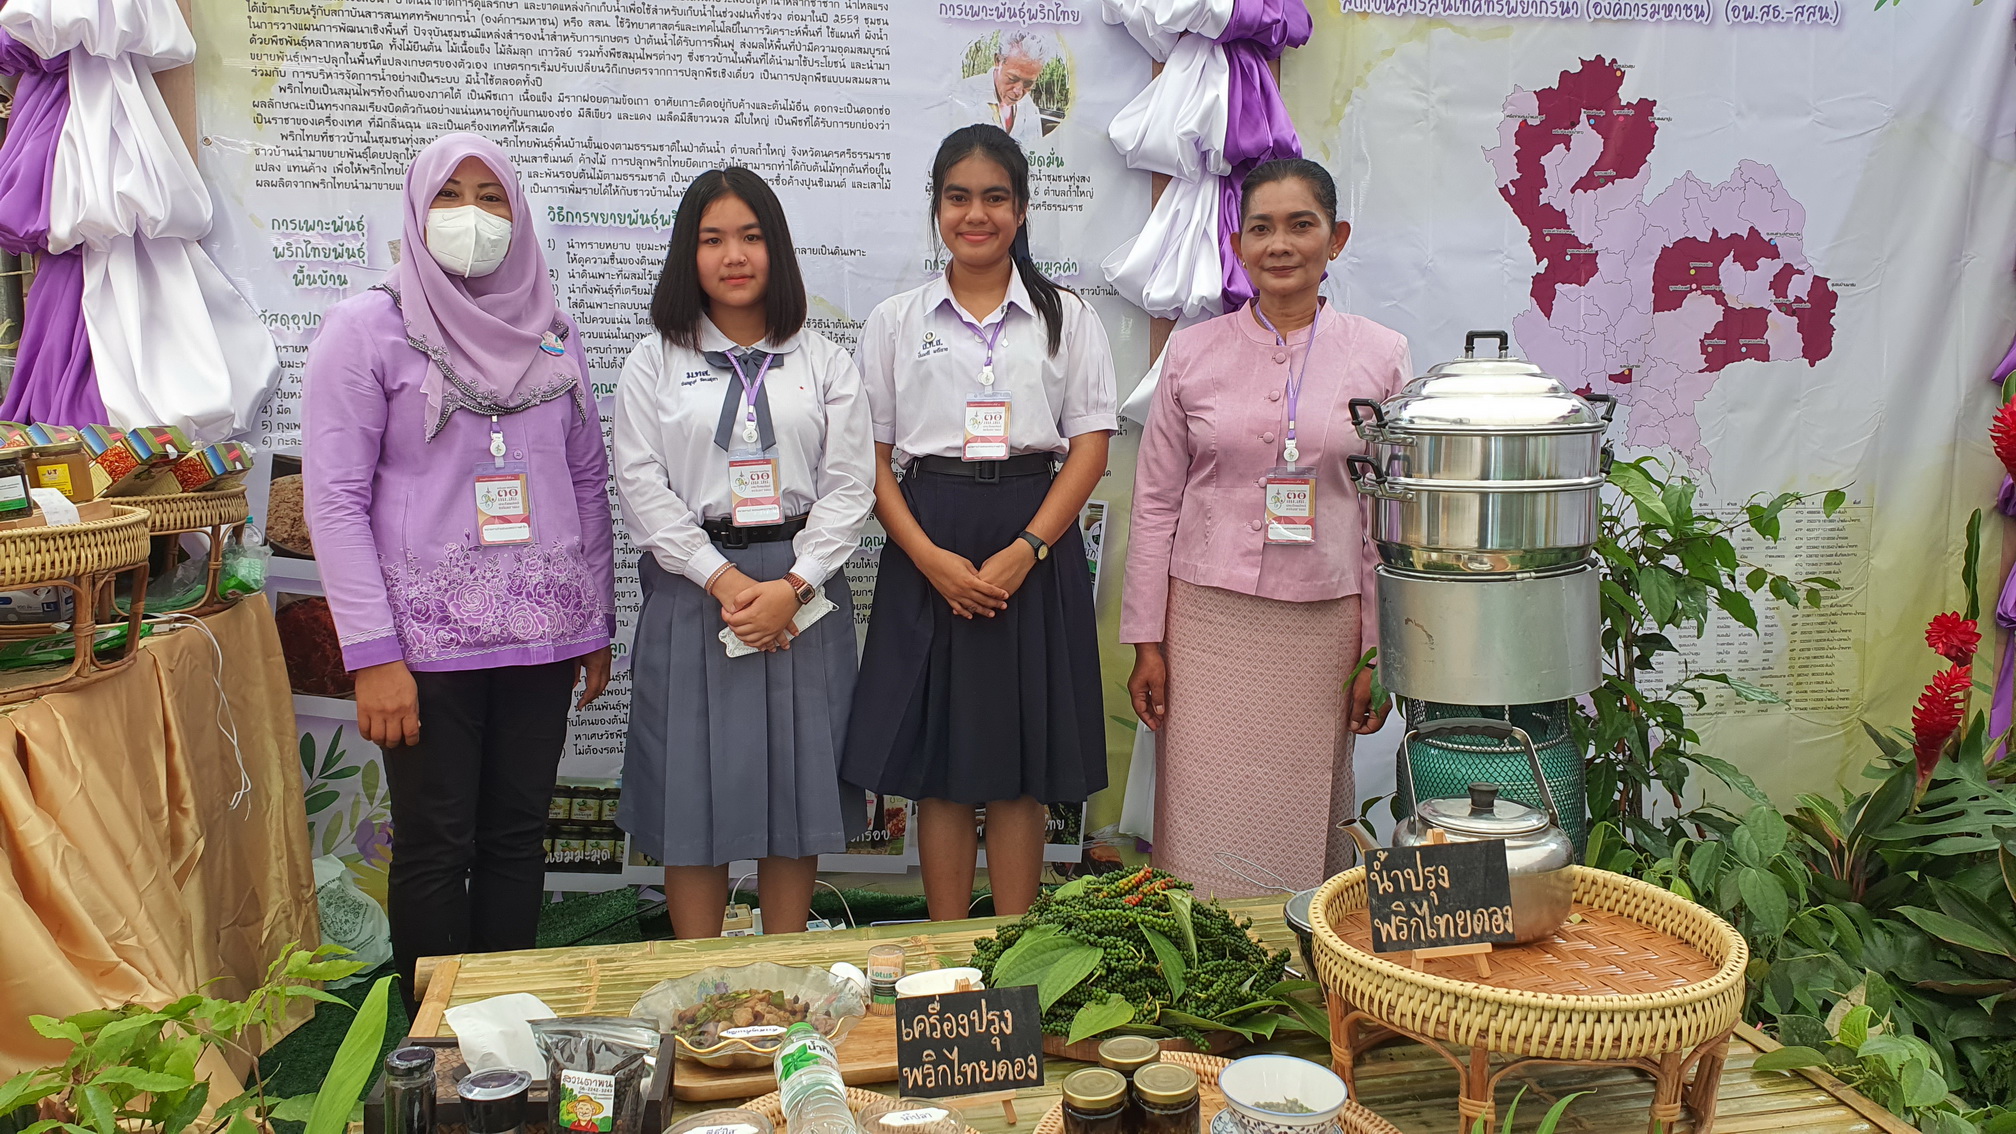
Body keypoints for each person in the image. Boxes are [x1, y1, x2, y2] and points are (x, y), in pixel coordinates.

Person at [303, 133, 614, 1005]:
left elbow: (586, 481)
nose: (470, 217)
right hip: (424, 652)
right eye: (449, 195)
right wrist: (372, 653)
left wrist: (595, 623)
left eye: (490, 197)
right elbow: (334, 500)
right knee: (437, 843)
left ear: (517, 215)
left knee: (517, 837)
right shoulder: (366, 329)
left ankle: (505, 1027)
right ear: (415, 208)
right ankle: (435, 1046)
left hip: (543, 642)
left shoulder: (553, 334)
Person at [843, 125, 1116, 921]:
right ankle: (946, 953)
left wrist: (1027, 549)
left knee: (1020, 766)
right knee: (942, 765)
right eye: (958, 197)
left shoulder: (1068, 317)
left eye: (995, 197)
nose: (977, 214)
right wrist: (928, 558)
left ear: (1022, 209)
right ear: (937, 208)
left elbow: (1090, 449)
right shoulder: (896, 321)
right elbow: (871, 459)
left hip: (1035, 538)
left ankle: (1013, 950)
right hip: (928, 535)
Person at [1120, 158, 1410, 900]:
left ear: (1337, 239)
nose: (1280, 244)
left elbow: (1389, 518)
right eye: (1262, 228)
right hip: (1206, 622)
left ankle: (1299, 957)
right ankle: (1208, 955)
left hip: (1326, 624)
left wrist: (1379, 652)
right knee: (1202, 814)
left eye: (1300, 225)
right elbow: (1154, 503)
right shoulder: (1192, 352)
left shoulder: (1381, 355)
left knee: (1306, 814)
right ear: (1238, 245)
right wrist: (1147, 641)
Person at [612, 168, 875, 939]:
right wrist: (723, 578)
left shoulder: (822, 361)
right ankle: (698, 975)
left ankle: (786, 967)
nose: (734, 255)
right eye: (713, 239)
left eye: (752, 237)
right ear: (687, 254)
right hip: (697, 592)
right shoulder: (654, 362)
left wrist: (794, 583)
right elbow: (640, 485)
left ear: (777, 249)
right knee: (692, 793)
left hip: (801, 593)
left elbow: (850, 486)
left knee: (794, 792)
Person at [954, 30, 1048, 147]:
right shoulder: (963, 94)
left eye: (1028, 84)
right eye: (1012, 79)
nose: (1018, 91)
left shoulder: (1029, 107)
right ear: (998, 61)